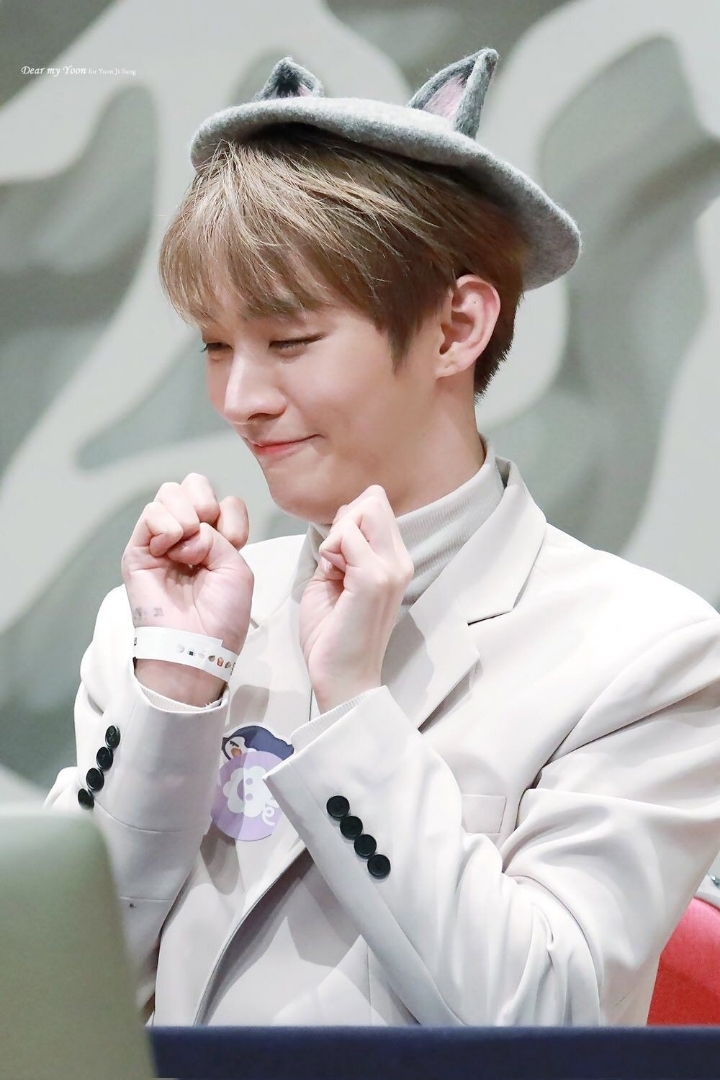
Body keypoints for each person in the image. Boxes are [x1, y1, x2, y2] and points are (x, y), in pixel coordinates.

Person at [45, 47, 720, 1027]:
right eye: (216, 345)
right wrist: (175, 691)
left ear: (455, 328)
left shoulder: (645, 654)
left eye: (289, 341)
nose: (239, 398)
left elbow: (543, 1015)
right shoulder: (166, 625)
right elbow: (50, 994)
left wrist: (355, 709)